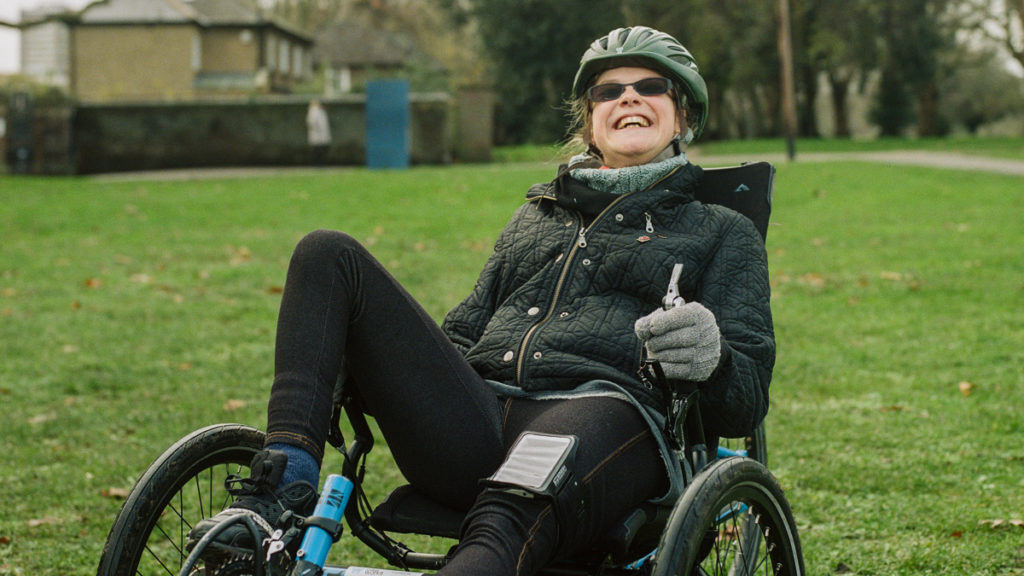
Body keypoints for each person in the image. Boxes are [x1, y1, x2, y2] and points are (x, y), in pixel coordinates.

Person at [189, 26, 773, 576]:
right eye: (608, 91)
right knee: (326, 252)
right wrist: (371, 360)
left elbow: (745, 398)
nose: (629, 99)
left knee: (514, 503)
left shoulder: (720, 230)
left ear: (683, 115)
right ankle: (276, 496)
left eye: (651, 86)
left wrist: (711, 358)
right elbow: (462, 334)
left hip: (607, 415)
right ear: (590, 121)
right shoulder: (534, 218)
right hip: (477, 419)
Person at [306, 99, 332, 166]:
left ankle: (320, 164)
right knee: (317, 152)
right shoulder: (314, 111)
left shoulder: (321, 111)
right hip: (317, 136)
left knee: (321, 151)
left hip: (321, 136)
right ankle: (317, 165)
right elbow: (311, 123)